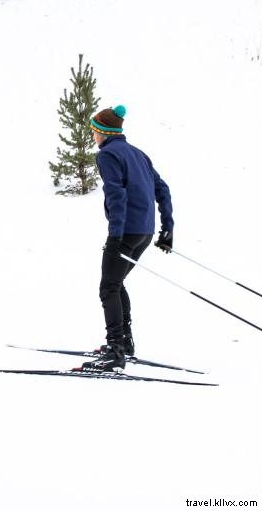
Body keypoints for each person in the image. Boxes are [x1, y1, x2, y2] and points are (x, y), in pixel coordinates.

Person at [83, 104, 174, 372]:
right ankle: (124, 343)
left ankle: (115, 351)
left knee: (108, 288)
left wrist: (115, 235)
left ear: (103, 132)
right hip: (144, 232)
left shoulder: (108, 155)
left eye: (94, 131)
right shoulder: (138, 154)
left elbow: (116, 195)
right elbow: (163, 189)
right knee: (116, 282)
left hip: (126, 232)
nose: (93, 136)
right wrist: (167, 229)